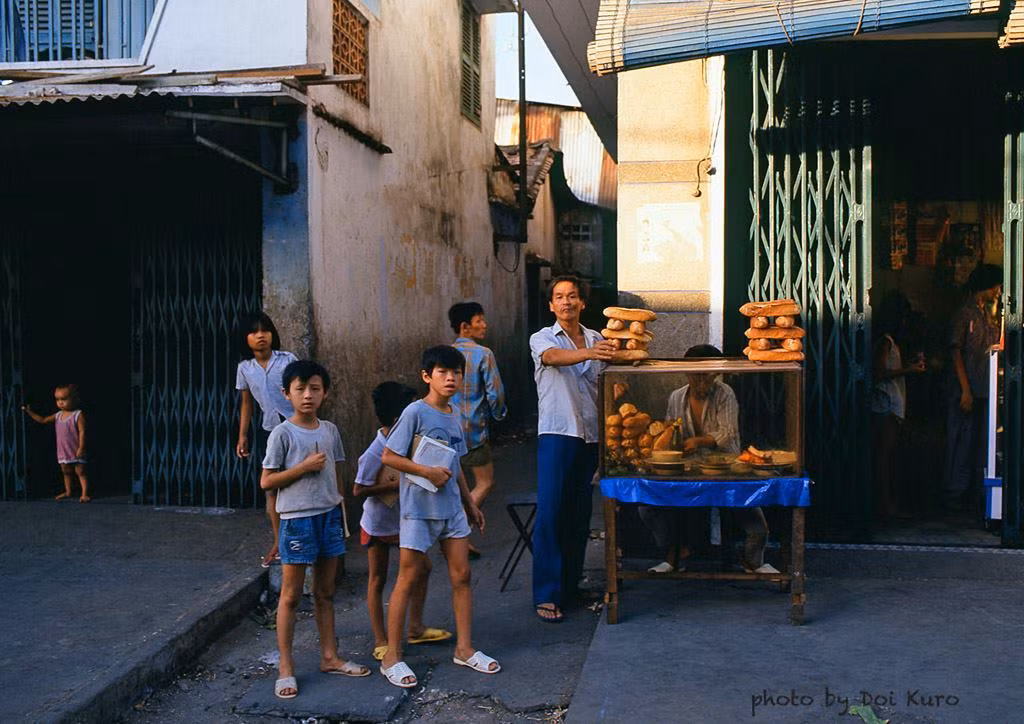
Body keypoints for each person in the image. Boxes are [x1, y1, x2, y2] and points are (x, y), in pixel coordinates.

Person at [378, 345, 497, 688]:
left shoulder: (453, 416)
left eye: (456, 373)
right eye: (443, 372)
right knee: (408, 577)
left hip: (451, 511)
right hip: (418, 511)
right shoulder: (415, 412)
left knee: (461, 575)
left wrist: (470, 504)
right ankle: (392, 657)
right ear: (427, 376)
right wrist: (425, 471)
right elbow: (389, 456)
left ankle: (464, 648)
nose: (451, 378)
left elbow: (455, 463)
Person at [260, 360, 370, 699]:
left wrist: (341, 515)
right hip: (296, 520)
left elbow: (336, 476)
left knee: (325, 592)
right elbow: (268, 482)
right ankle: (286, 668)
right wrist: (303, 468)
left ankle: (329, 657)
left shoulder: (330, 430)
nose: (307, 395)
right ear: (286, 394)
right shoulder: (283, 433)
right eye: (300, 389)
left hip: (328, 518)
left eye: (315, 388)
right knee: (291, 596)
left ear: (325, 392)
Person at [530, 275, 617, 623]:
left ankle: (570, 585)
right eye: (559, 297)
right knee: (551, 513)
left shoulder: (598, 338)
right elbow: (552, 358)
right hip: (558, 433)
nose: (566, 302)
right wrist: (588, 352)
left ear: (583, 303)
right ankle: (546, 593)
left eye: (573, 296)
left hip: (591, 435)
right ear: (552, 305)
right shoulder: (543, 338)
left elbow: (606, 382)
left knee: (580, 515)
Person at [646, 344, 777, 574]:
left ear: (716, 373)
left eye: (707, 374)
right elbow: (671, 430)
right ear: (686, 373)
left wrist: (698, 441)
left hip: (728, 470)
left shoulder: (725, 393)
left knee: (757, 528)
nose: (701, 381)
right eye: (696, 375)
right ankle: (674, 555)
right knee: (648, 508)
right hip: (688, 471)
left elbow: (728, 433)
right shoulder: (676, 397)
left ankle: (753, 561)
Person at [353, 381, 452, 663]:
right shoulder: (375, 451)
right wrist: (394, 486)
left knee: (423, 568)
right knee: (377, 579)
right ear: (399, 419)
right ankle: (381, 639)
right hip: (377, 523)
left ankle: (416, 626)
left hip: (403, 521)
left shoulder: (411, 444)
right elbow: (358, 490)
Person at [236, 312, 298, 568]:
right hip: (268, 432)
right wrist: (242, 435)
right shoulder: (245, 368)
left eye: (265, 330)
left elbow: (303, 392)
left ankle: (298, 540)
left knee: (296, 485)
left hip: (295, 429)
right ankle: (278, 541)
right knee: (270, 489)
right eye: (254, 332)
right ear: (245, 339)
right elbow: (247, 404)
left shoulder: (288, 360)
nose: (260, 336)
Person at [449, 301, 508, 558]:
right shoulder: (483, 354)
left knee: (454, 487)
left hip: (447, 432)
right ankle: (457, 532)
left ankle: (459, 535)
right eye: (479, 321)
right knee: (484, 483)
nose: (484, 325)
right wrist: (498, 414)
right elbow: (496, 393)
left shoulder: (445, 354)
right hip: (474, 430)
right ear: (465, 327)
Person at [944, 263, 1002, 514]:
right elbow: (955, 351)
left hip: (983, 391)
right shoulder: (965, 314)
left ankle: (974, 494)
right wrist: (965, 389)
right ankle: (953, 495)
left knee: (980, 444)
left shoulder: (985, 313)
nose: (998, 292)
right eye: (996, 287)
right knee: (962, 443)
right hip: (967, 392)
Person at [871, 292, 926, 518]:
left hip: (891, 404)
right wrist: (909, 370)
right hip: (885, 405)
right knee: (884, 457)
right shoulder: (885, 341)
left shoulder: (890, 341)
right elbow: (880, 372)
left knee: (887, 456)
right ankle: (885, 505)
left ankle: (888, 503)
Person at [22, 383, 91, 502]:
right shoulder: (58, 415)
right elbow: (43, 420)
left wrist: (81, 447)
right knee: (66, 472)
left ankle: (84, 494)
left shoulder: (78, 414)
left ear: (75, 399)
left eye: (64, 399)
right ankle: (68, 491)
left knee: (80, 471)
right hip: (63, 450)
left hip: (76, 449)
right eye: (57, 399)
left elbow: (82, 432)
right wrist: (29, 412)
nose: (60, 402)